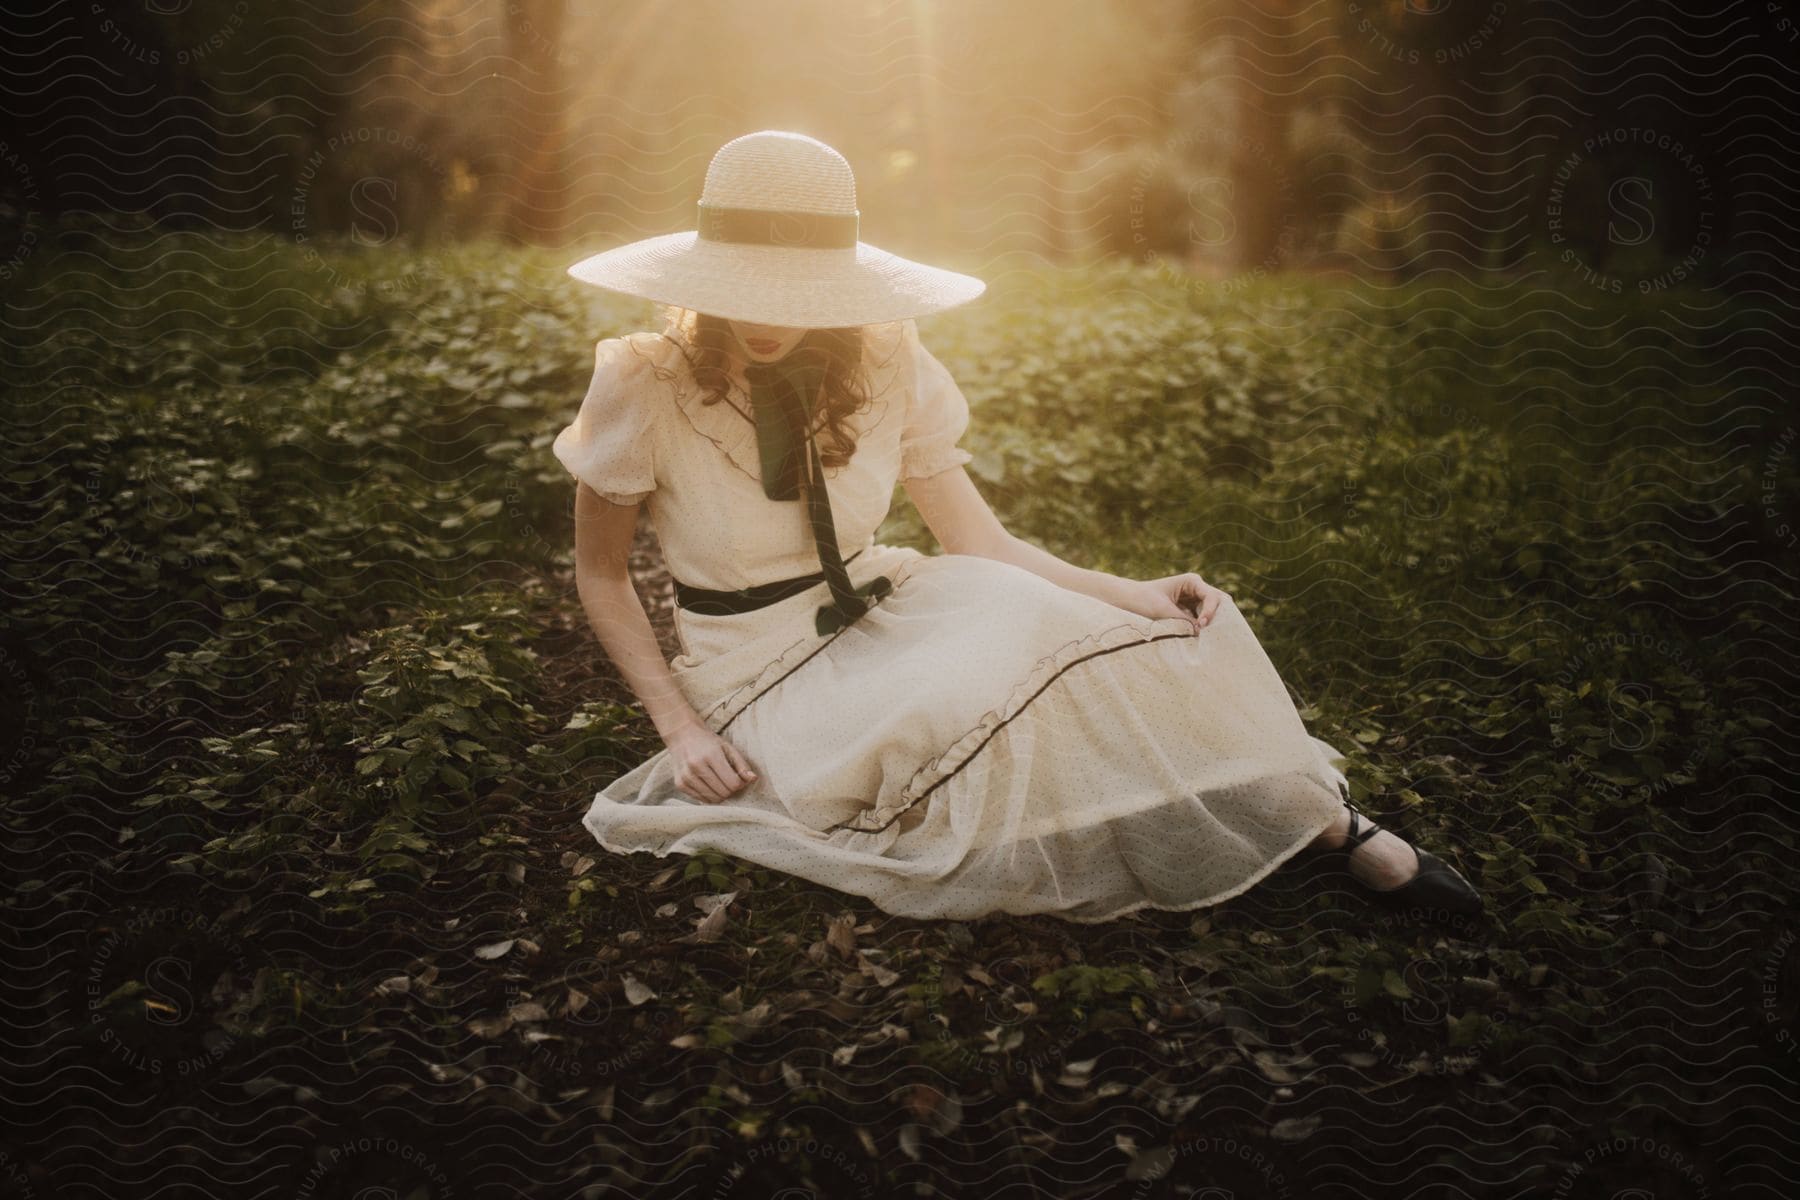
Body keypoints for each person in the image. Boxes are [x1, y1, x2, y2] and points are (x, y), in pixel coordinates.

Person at [551, 130, 1483, 925]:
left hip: (888, 597)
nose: (765, 316)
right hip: (754, 656)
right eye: (746, 284)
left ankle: (1330, 823)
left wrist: (1133, 595)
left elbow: (981, 545)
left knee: (1085, 632)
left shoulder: (885, 356)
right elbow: (601, 574)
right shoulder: (644, 380)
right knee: (946, 713)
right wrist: (679, 729)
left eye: (796, 288)